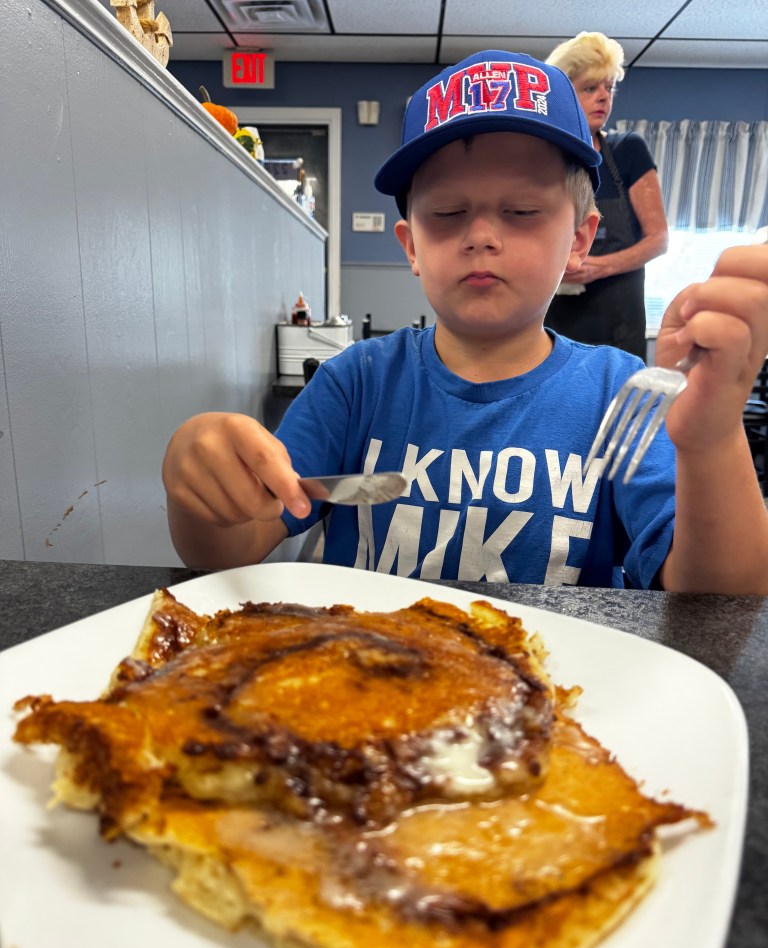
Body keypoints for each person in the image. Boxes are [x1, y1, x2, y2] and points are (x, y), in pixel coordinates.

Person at [162, 50, 768, 594]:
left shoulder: (620, 391)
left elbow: (721, 597)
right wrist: (198, 493)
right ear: (412, 247)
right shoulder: (355, 383)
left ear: (580, 241)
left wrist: (713, 439)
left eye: (522, 211)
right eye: (449, 212)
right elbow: (231, 549)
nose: (480, 235)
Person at [544, 31, 669, 360]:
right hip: (553, 326)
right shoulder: (541, 158)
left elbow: (658, 240)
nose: (603, 97)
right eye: (590, 88)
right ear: (563, 96)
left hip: (619, 329)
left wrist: (597, 267)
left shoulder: (628, 150)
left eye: (609, 87)